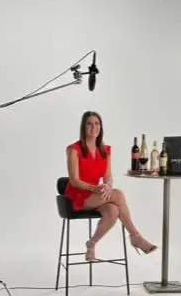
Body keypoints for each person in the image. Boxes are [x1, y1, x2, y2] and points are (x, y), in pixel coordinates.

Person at [65, 111, 157, 262]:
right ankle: (135, 237)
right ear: (83, 127)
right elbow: (74, 180)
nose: (93, 127)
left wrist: (107, 186)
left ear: (101, 127)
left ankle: (91, 244)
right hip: (78, 196)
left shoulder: (105, 150)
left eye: (97, 124)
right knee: (118, 195)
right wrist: (97, 189)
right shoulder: (74, 150)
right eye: (89, 124)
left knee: (113, 211)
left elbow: (107, 175)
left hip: (97, 195)